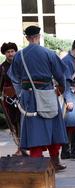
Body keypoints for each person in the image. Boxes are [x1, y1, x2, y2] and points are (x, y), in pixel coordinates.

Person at [7, 25, 68, 171]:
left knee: (34, 131)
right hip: (48, 95)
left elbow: (14, 78)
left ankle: (35, 166)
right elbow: (60, 75)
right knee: (54, 129)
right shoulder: (49, 53)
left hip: (28, 98)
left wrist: (21, 93)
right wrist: (62, 89)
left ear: (27, 38)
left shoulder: (19, 56)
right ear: (39, 36)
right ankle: (55, 162)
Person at [0, 42, 26, 156]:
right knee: (13, 124)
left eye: (12, 51)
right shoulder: (2, 67)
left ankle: (24, 147)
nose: (10, 54)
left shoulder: (21, 65)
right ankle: (19, 147)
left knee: (23, 122)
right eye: (8, 52)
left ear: (15, 52)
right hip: (8, 100)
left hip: (21, 96)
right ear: (5, 54)